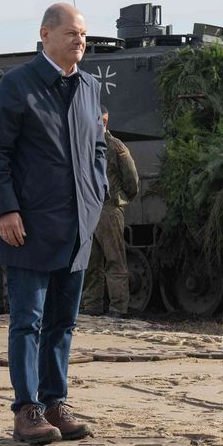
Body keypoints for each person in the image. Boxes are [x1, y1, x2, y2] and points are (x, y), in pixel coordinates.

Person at [0, 2, 107, 446]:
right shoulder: (18, 86)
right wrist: (6, 209)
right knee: (27, 321)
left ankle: (55, 402)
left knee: (62, 323)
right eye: (72, 33)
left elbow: (98, 148)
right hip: (29, 224)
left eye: (84, 34)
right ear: (45, 34)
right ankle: (27, 409)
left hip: (76, 225)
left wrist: (96, 195)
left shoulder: (88, 87)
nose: (81, 41)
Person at [81, 105, 140, 319]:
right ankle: (92, 305)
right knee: (90, 262)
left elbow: (131, 179)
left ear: (103, 122)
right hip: (89, 208)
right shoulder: (84, 145)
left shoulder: (115, 146)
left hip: (108, 208)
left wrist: (121, 200)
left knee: (114, 259)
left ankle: (118, 307)